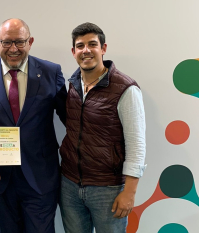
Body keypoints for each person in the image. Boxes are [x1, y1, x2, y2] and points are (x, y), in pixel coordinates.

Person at [0, 18, 67, 233]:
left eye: (19, 42)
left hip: (41, 177)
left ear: (30, 41)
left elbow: (70, 118)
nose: (13, 49)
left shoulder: (51, 72)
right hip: (0, 179)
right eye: (7, 43)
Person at [59, 22, 146, 233]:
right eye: (80, 46)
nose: (86, 50)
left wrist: (129, 193)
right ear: (73, 52)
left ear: (103, 48)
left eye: (92, 44)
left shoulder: (125, 89)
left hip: (108, 189)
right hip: (69, 185)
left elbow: (136, 145)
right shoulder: (73, 85)